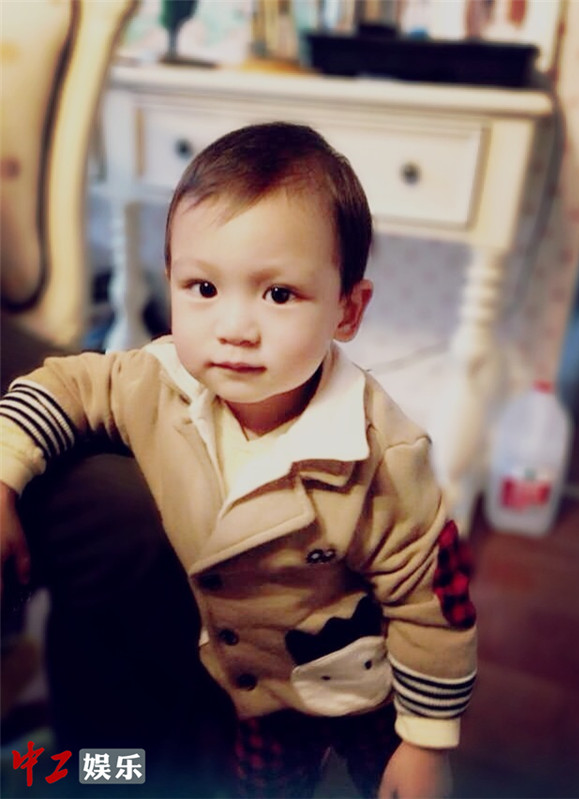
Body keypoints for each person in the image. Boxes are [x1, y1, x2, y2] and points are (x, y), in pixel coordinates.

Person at [0, 122, 477, 799]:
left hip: (356, 680)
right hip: (244, 693)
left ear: (348, 309)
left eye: (278, 294)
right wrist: (5, 474)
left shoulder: (383, 457)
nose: (233, 328)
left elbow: (432, 603)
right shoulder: (155, 379)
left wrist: (426, 741)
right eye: (202, 287)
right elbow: (64, 387)